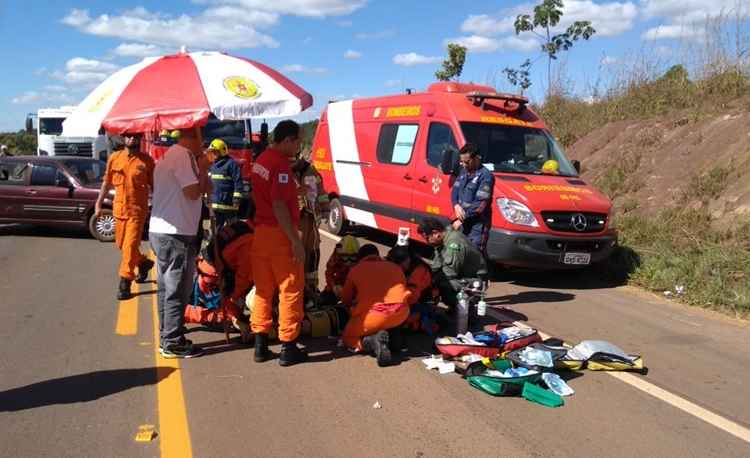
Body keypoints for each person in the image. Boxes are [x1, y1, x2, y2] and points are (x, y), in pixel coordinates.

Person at [149, 127, 212, 359]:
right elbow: (193, 193)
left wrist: (203, 171)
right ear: (194, 136)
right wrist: (202, 169)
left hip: (165, 231)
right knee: (177, 289)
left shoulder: (173, 156)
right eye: (201, 136)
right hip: (175, 233)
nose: (203, 143)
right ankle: (172, 341)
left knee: (168, 288)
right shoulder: (182, 157)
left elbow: (205, 189)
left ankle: (168, 334)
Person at [249, 120, 308, 366]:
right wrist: (295, 241)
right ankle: (288, 346)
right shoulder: (281, 166)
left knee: (264, 290)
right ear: (287, 140)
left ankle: (261, 345)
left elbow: (268, 195)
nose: (300, 147)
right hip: (279, 235)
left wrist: (294, 193)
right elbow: (279, 205)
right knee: (290, 289)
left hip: (261, 234)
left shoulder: (261, 160)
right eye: (298, 142)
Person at [96, 133, 155, 300]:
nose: (132, 140)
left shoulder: (147, 161)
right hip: (119, 210)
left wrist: (158, 207)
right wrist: (99, 203)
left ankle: (125, 282)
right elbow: (106, 182)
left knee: (129, 247)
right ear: (123, 139)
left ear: (140, 139)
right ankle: (143, 262)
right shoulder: (114, 158)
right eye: (129, 137)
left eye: (136, 137)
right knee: (122, 245)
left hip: (137, 212)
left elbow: (156, 186)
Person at [340, 244, 412, 367]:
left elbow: (346, 299)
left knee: (348, 337)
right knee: (388, 321)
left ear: (360, 257)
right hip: (401, 313)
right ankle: (393, 339)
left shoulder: (356, 269)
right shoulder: (395, 267)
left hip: (374, 317)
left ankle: (371, 342)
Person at [184, 221, 253, 343]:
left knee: (232, 309)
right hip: (214, 278)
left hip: (206, 269)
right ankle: (182, 314)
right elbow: (243, 279)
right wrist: (234, 308)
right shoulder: (250, 240)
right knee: (224, 316)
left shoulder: (242, 225)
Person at [417, 217, 487, 311]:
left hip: (475, 281)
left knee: (444, 283)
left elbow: (449, 273)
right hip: (462, 275)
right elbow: (436, 266)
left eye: (427, 238)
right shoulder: (443, 240)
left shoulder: (454, 243)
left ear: (435, 233)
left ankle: (465, 307)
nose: (427, 242)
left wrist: (428, 285)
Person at [291, 152, 330, 301]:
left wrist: (325, 208)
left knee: (312, 255)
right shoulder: (283, 170)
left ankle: (311, 289)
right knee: (295, 257)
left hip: (311, 220)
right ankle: (296, 289)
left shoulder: (311, 171)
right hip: (295, 222)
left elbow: (321, 191)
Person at [451, 143, 495, 253]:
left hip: (476, 226)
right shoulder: (463, 172)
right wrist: (456, 205)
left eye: (467, 162)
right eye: (461, 162)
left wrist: (462, 218)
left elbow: (481, 205)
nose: (463, 165)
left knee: (475, 258)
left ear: (476, 159)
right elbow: (455, 191)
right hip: (462, 223)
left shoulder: (485, 176)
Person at [386, 245, 438, 335]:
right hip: (409, 298)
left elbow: (412, 297)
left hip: (422, 301)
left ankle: (424, 321)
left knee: (399, 321)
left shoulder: (418, 271)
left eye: (396, 265)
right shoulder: (403, 265)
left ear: (406, 261)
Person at [207, 139, 243, 228]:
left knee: (231, 230)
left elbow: (238, 182)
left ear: (222, 151)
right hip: (216, 205)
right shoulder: (212, 166)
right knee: (217, 231)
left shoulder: (231, 164)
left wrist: (236, 199)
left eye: (215, 152)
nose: (213, 154)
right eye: (212, 152)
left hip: (229, 206)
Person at [320, 235, 360, 304]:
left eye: (352, 257)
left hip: (353, 290)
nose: (348, 261)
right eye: (345, 257)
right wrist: (333, 287)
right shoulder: (336, 256)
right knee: (322, 301)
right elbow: (329, 272)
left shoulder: (361, 264)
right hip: (337, 285)